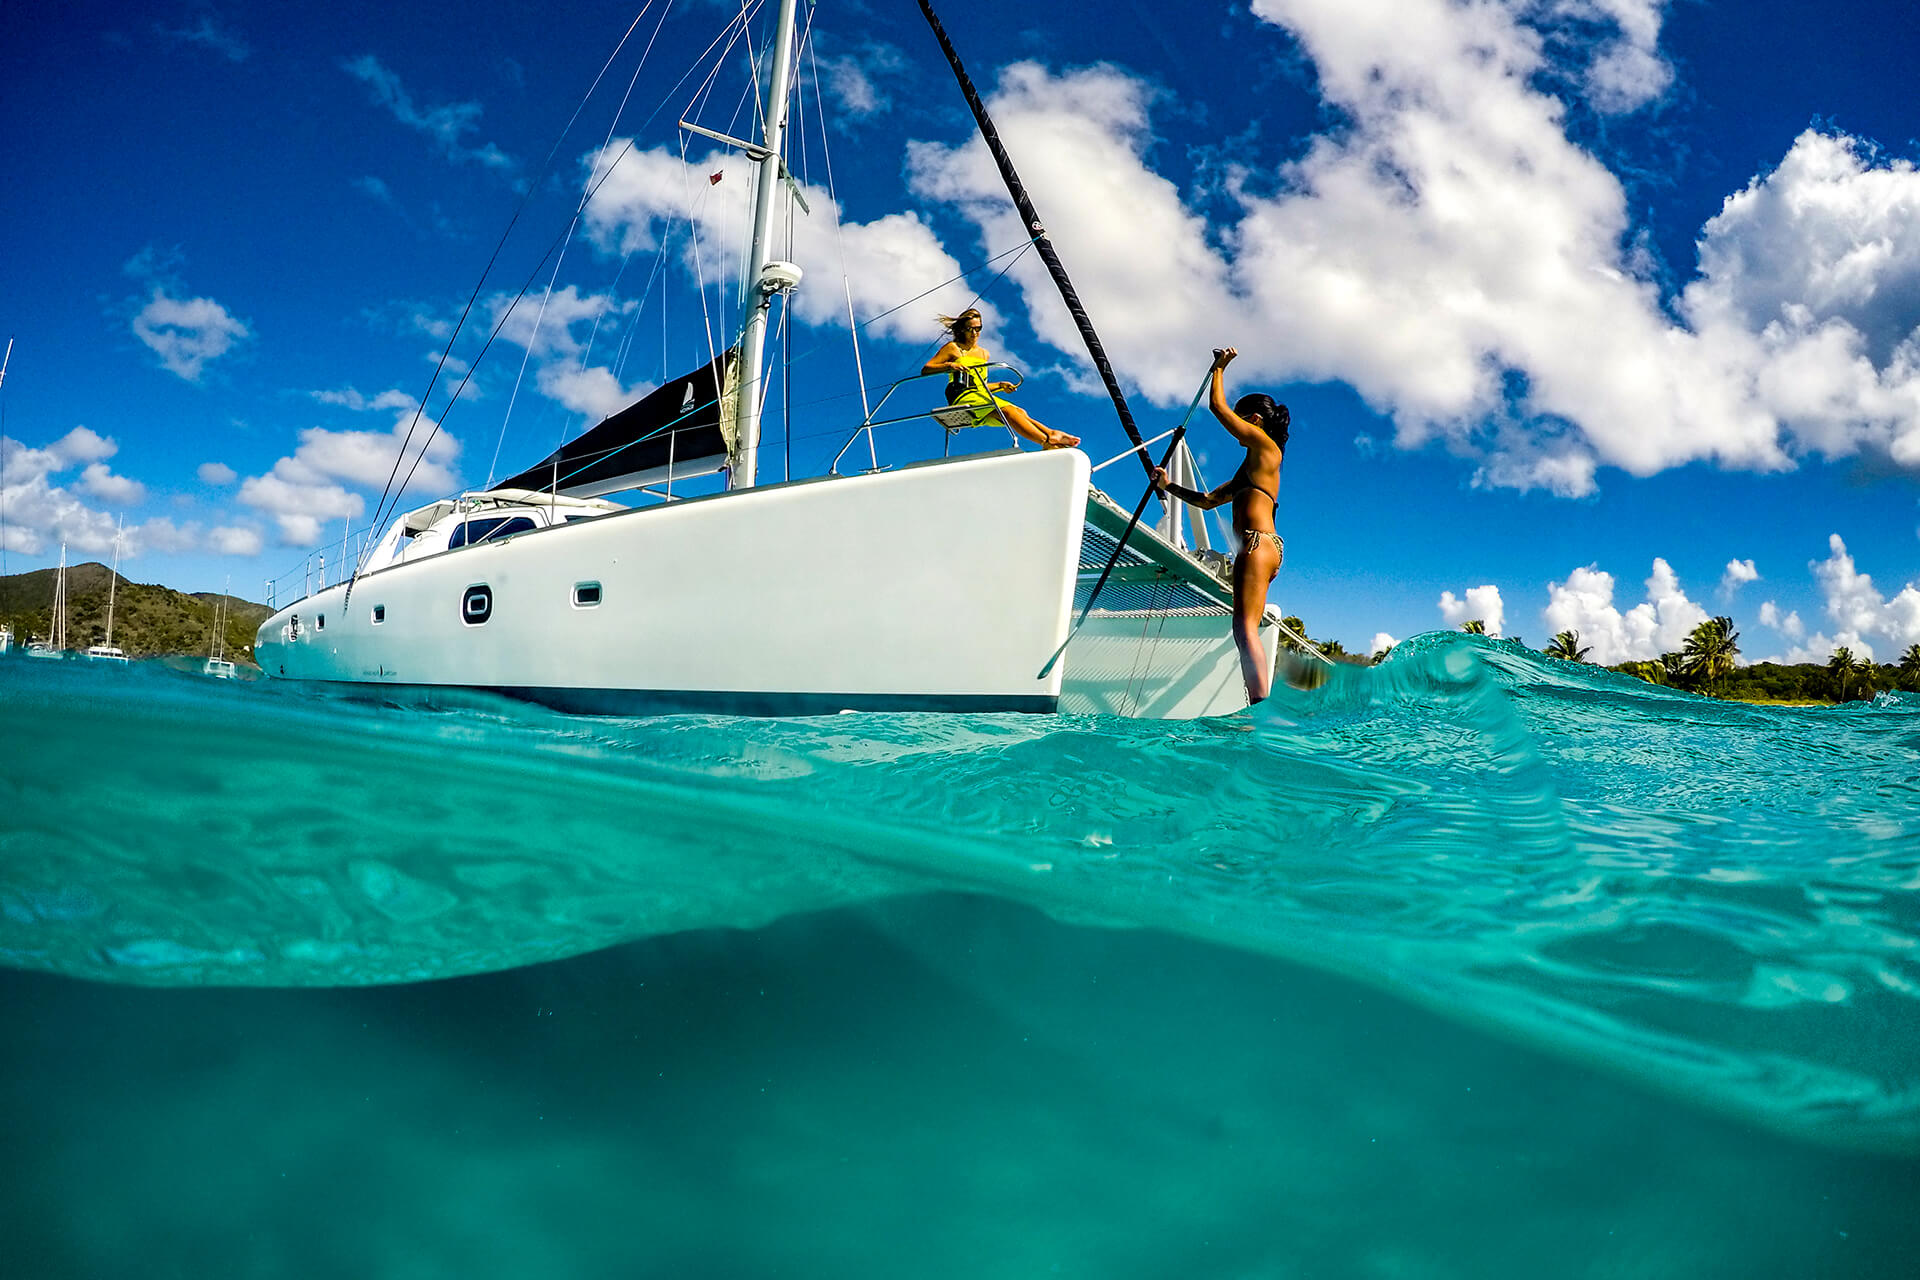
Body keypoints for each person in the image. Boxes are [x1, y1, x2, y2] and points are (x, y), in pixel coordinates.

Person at [1152, 347, 1288, 704]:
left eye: (1244, 421)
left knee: (1243, 630)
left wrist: (1219, 368)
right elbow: (1207, 501)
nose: (1239, 428)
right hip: (1267, 546)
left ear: (1255, 420)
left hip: (1258, 544)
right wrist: (1168, 486)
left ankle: (1258, 707)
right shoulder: (1250, 472)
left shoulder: (1265, 445)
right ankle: (1257, 700)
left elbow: (1218, 409)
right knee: (1247, 629)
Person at [922, 309, 1080, 449]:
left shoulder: (984, 354)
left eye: (978, 328)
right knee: (1009, 411)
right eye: (970, 329)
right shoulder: (953, 348)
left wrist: (1000, 385)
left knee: (1019, 412)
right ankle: (1047, 442)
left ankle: (1050, 434)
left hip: (979, 396)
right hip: (961, 396)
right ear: (963, 329)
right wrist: (950, 365)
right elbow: (926, 369)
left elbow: (980, 386)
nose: (974, 333)